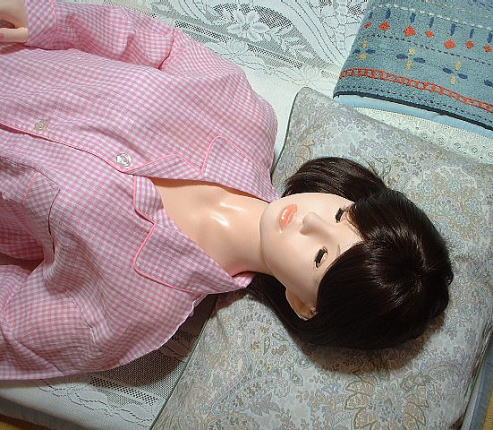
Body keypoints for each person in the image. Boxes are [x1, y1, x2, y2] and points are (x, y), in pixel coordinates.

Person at [0, 0, 452, 381]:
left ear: (305, 305)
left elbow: (13, 327)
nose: (310, 220)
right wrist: (44, 17)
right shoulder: (244, 113)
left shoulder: (141, 307)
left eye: (320, 257)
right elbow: (149, 41)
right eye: (341, 215)